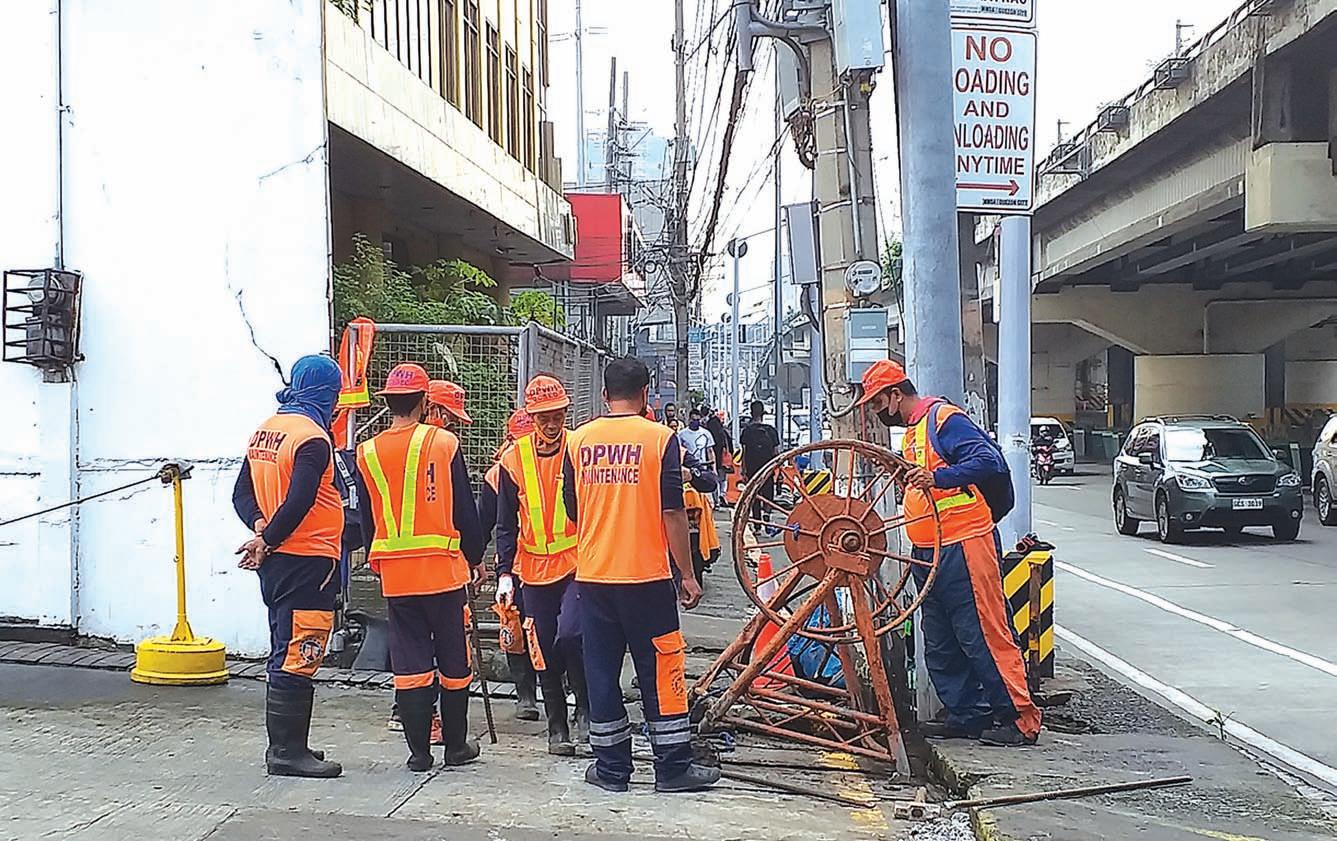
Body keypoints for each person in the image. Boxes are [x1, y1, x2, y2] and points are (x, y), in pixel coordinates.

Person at [856, 359, 1041, 747]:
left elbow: (987, 461)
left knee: (984, 631)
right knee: (940, 637)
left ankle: (1018, 718)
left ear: (895, 395)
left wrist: (938, 478)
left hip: (965, 543)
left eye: (877, 403)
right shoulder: (914, 432)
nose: (876, 411)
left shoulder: (944, 419)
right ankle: (967, 713)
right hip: (929, 551)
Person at [562, 357, 719, 794]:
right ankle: (672, 768)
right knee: (661, 670)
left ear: (604, 395)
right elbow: (673, 511)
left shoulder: (579, 441)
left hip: (594, 576)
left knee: (601, 672)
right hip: (647, 579)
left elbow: (572, 509)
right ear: (646, 394)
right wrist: (687, 575)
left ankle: (611, 769)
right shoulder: (659, 439)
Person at [356, 363, 487, 771]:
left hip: (396, 574)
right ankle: (456, 746)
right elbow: (464, 507)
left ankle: (418, 753)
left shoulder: (367, 452)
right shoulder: (443, 443)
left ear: (388, 401)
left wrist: (376, 558)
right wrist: (476, 556)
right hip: (442, 570)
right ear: (425, 401)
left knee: (410, 661)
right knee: (453, 659)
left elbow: (368, 518)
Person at [232, 354, 346, 779]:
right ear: (325, 393)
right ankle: (286, 752)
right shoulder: (312, 439)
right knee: (301, 649)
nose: (337, 404)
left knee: (285, 644)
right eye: (335, 395)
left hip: (278, 561)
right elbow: (300, 500)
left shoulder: (268, 429)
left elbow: (242, 494)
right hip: (307, 559)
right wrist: (268, 538)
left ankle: (289, 743)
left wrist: (262, 528)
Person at [495, 375, 589, 757]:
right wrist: (504, 572)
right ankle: (557, 727)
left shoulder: (578, 449)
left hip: (575, 563)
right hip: (532, 571)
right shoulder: (513, 459)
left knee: (572, 635)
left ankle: (584, 709)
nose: (551, 424)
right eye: (543, 418)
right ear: (531, 417)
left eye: (557, 416)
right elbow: (505, 522)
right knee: (542, 649)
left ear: (566, 413)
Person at [480, 408, 541, 723]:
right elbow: (485, 523)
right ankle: (525, 695)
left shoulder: (554, 464)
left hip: (547, 563)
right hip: (513, 565)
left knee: (550, 630)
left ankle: (560, 690)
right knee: (514, 631)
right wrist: (474, 558)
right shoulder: (498, 474)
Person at [739, 401, 780, 528]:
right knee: (768, 493)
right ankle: (767, 514)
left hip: (752, 468)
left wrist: (743, 470)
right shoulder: (771, 431)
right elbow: (776, 453)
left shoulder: (747, 431)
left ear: (751, 413)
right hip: (767, 467)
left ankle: (757, 524)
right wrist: (778, 470)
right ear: (763, 414)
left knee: (754, 495)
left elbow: (744, 452)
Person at [678, 408, 715, 474]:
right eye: (694, 420)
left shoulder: (706, 433)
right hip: (688, 468)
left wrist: (714, 468)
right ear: (689, 419)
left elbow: (710, 451)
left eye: (698, 420)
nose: (696, 422)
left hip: (702, 466)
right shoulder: (682, 434)